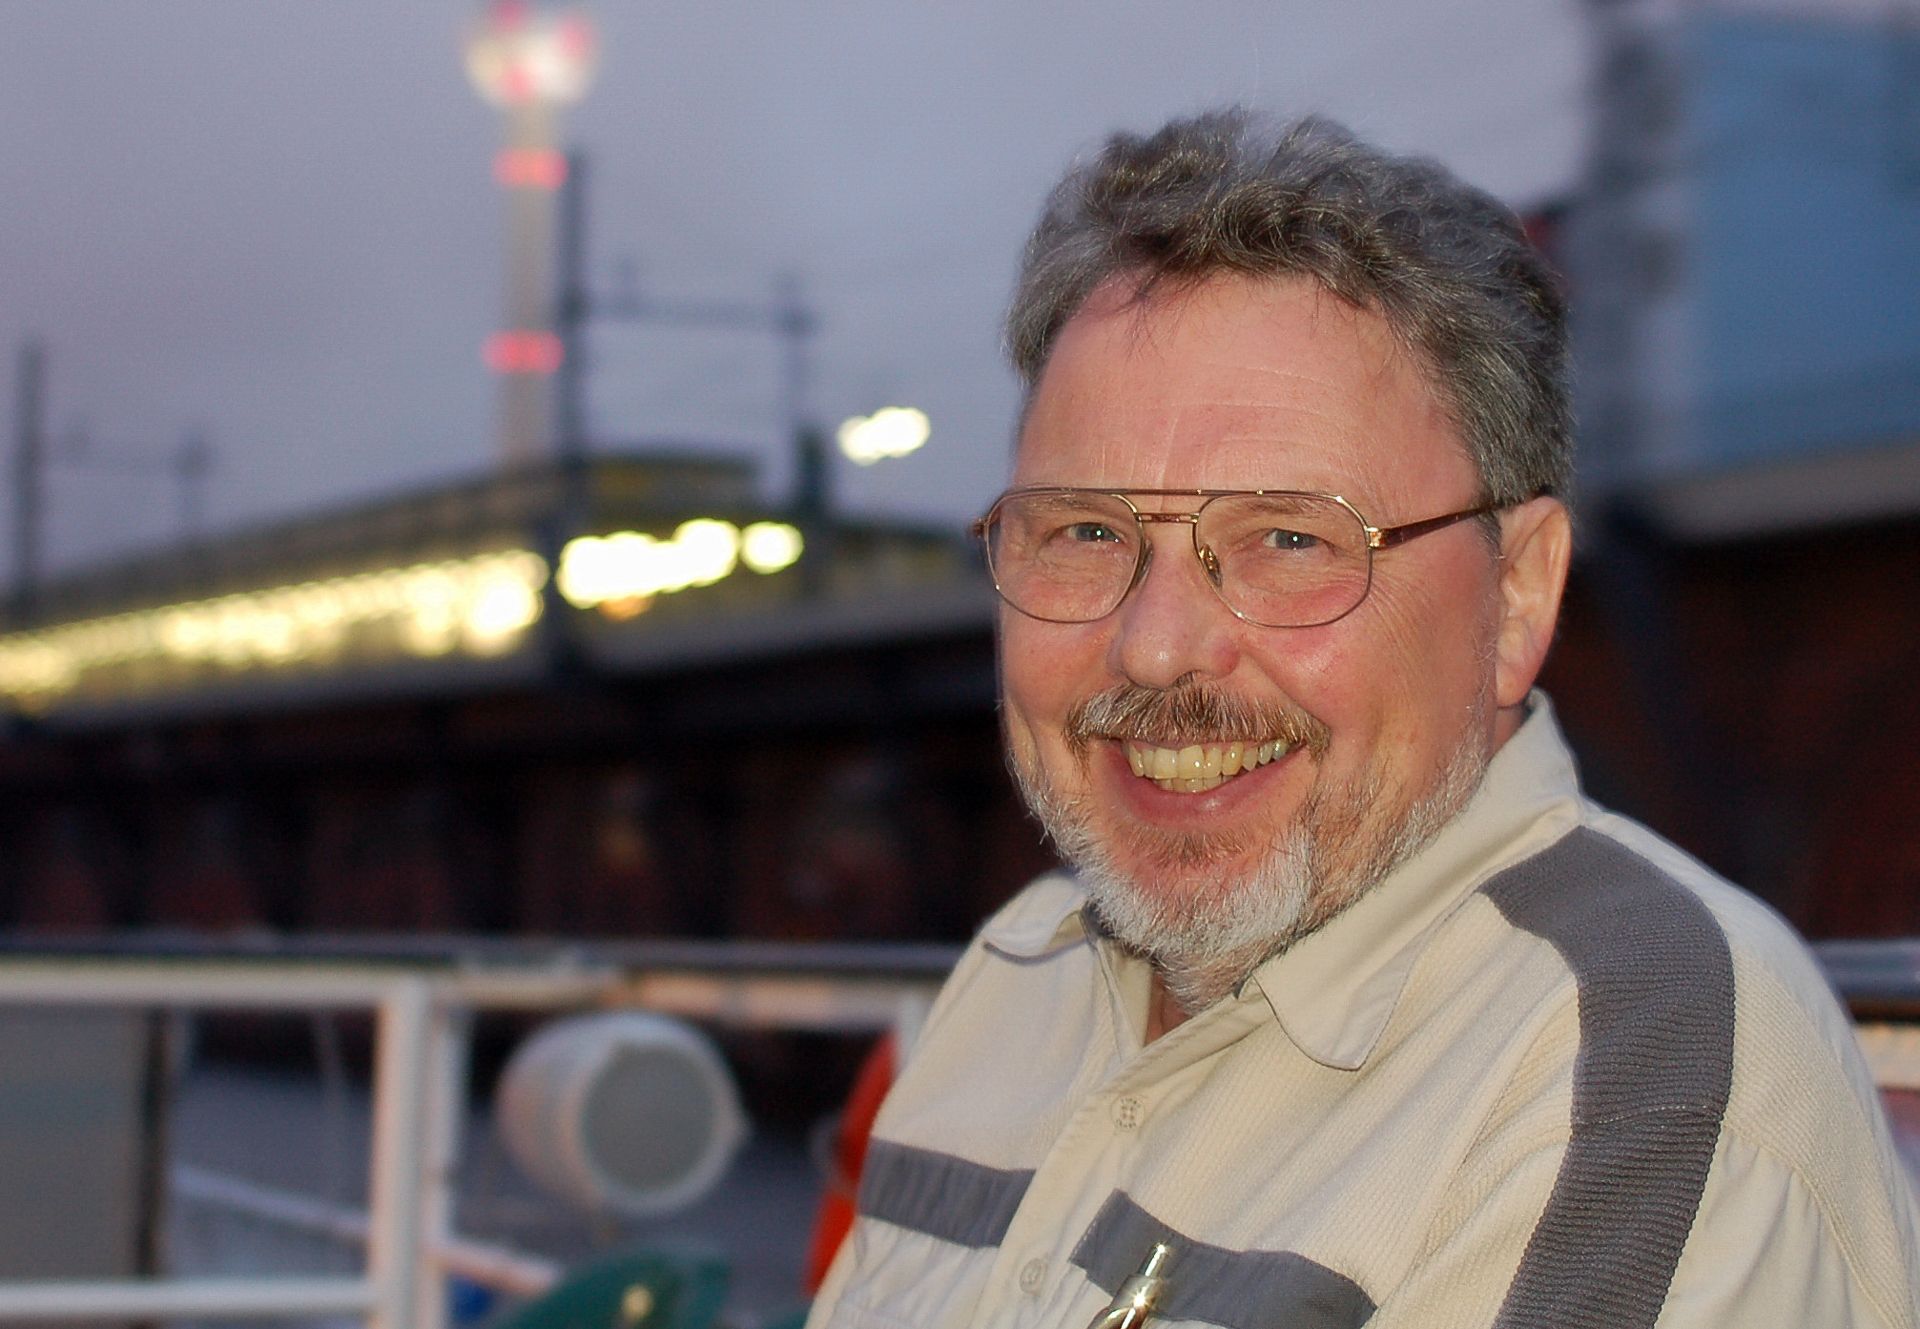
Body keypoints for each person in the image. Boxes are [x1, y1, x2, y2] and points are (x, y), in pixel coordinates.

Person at [805, 111, 1920, 1328]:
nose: (1156, 644)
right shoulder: (1016, 973)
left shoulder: (1629, 1081)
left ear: (1517, 594)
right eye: (1083, 531)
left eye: (1290, 539)